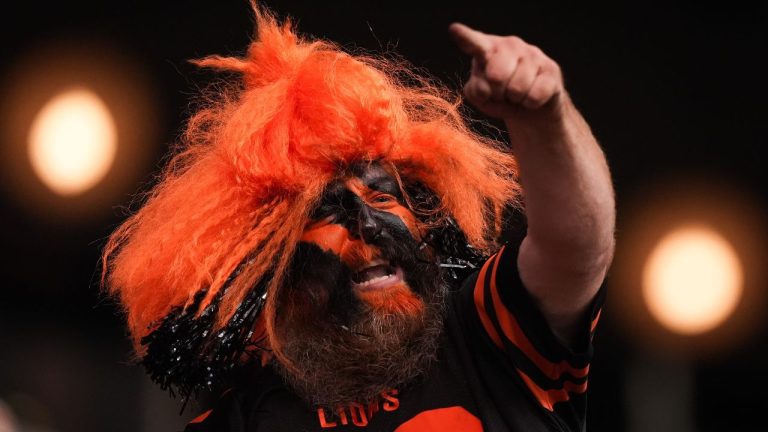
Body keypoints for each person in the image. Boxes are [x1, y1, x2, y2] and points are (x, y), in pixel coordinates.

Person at [102, 4, 615, 431]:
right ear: (274, 265)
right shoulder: (242, 421)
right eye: (326, 210)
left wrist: (546, 116)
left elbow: (577, 249)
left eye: (384, 196)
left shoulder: (489, 334)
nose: (368, 224)